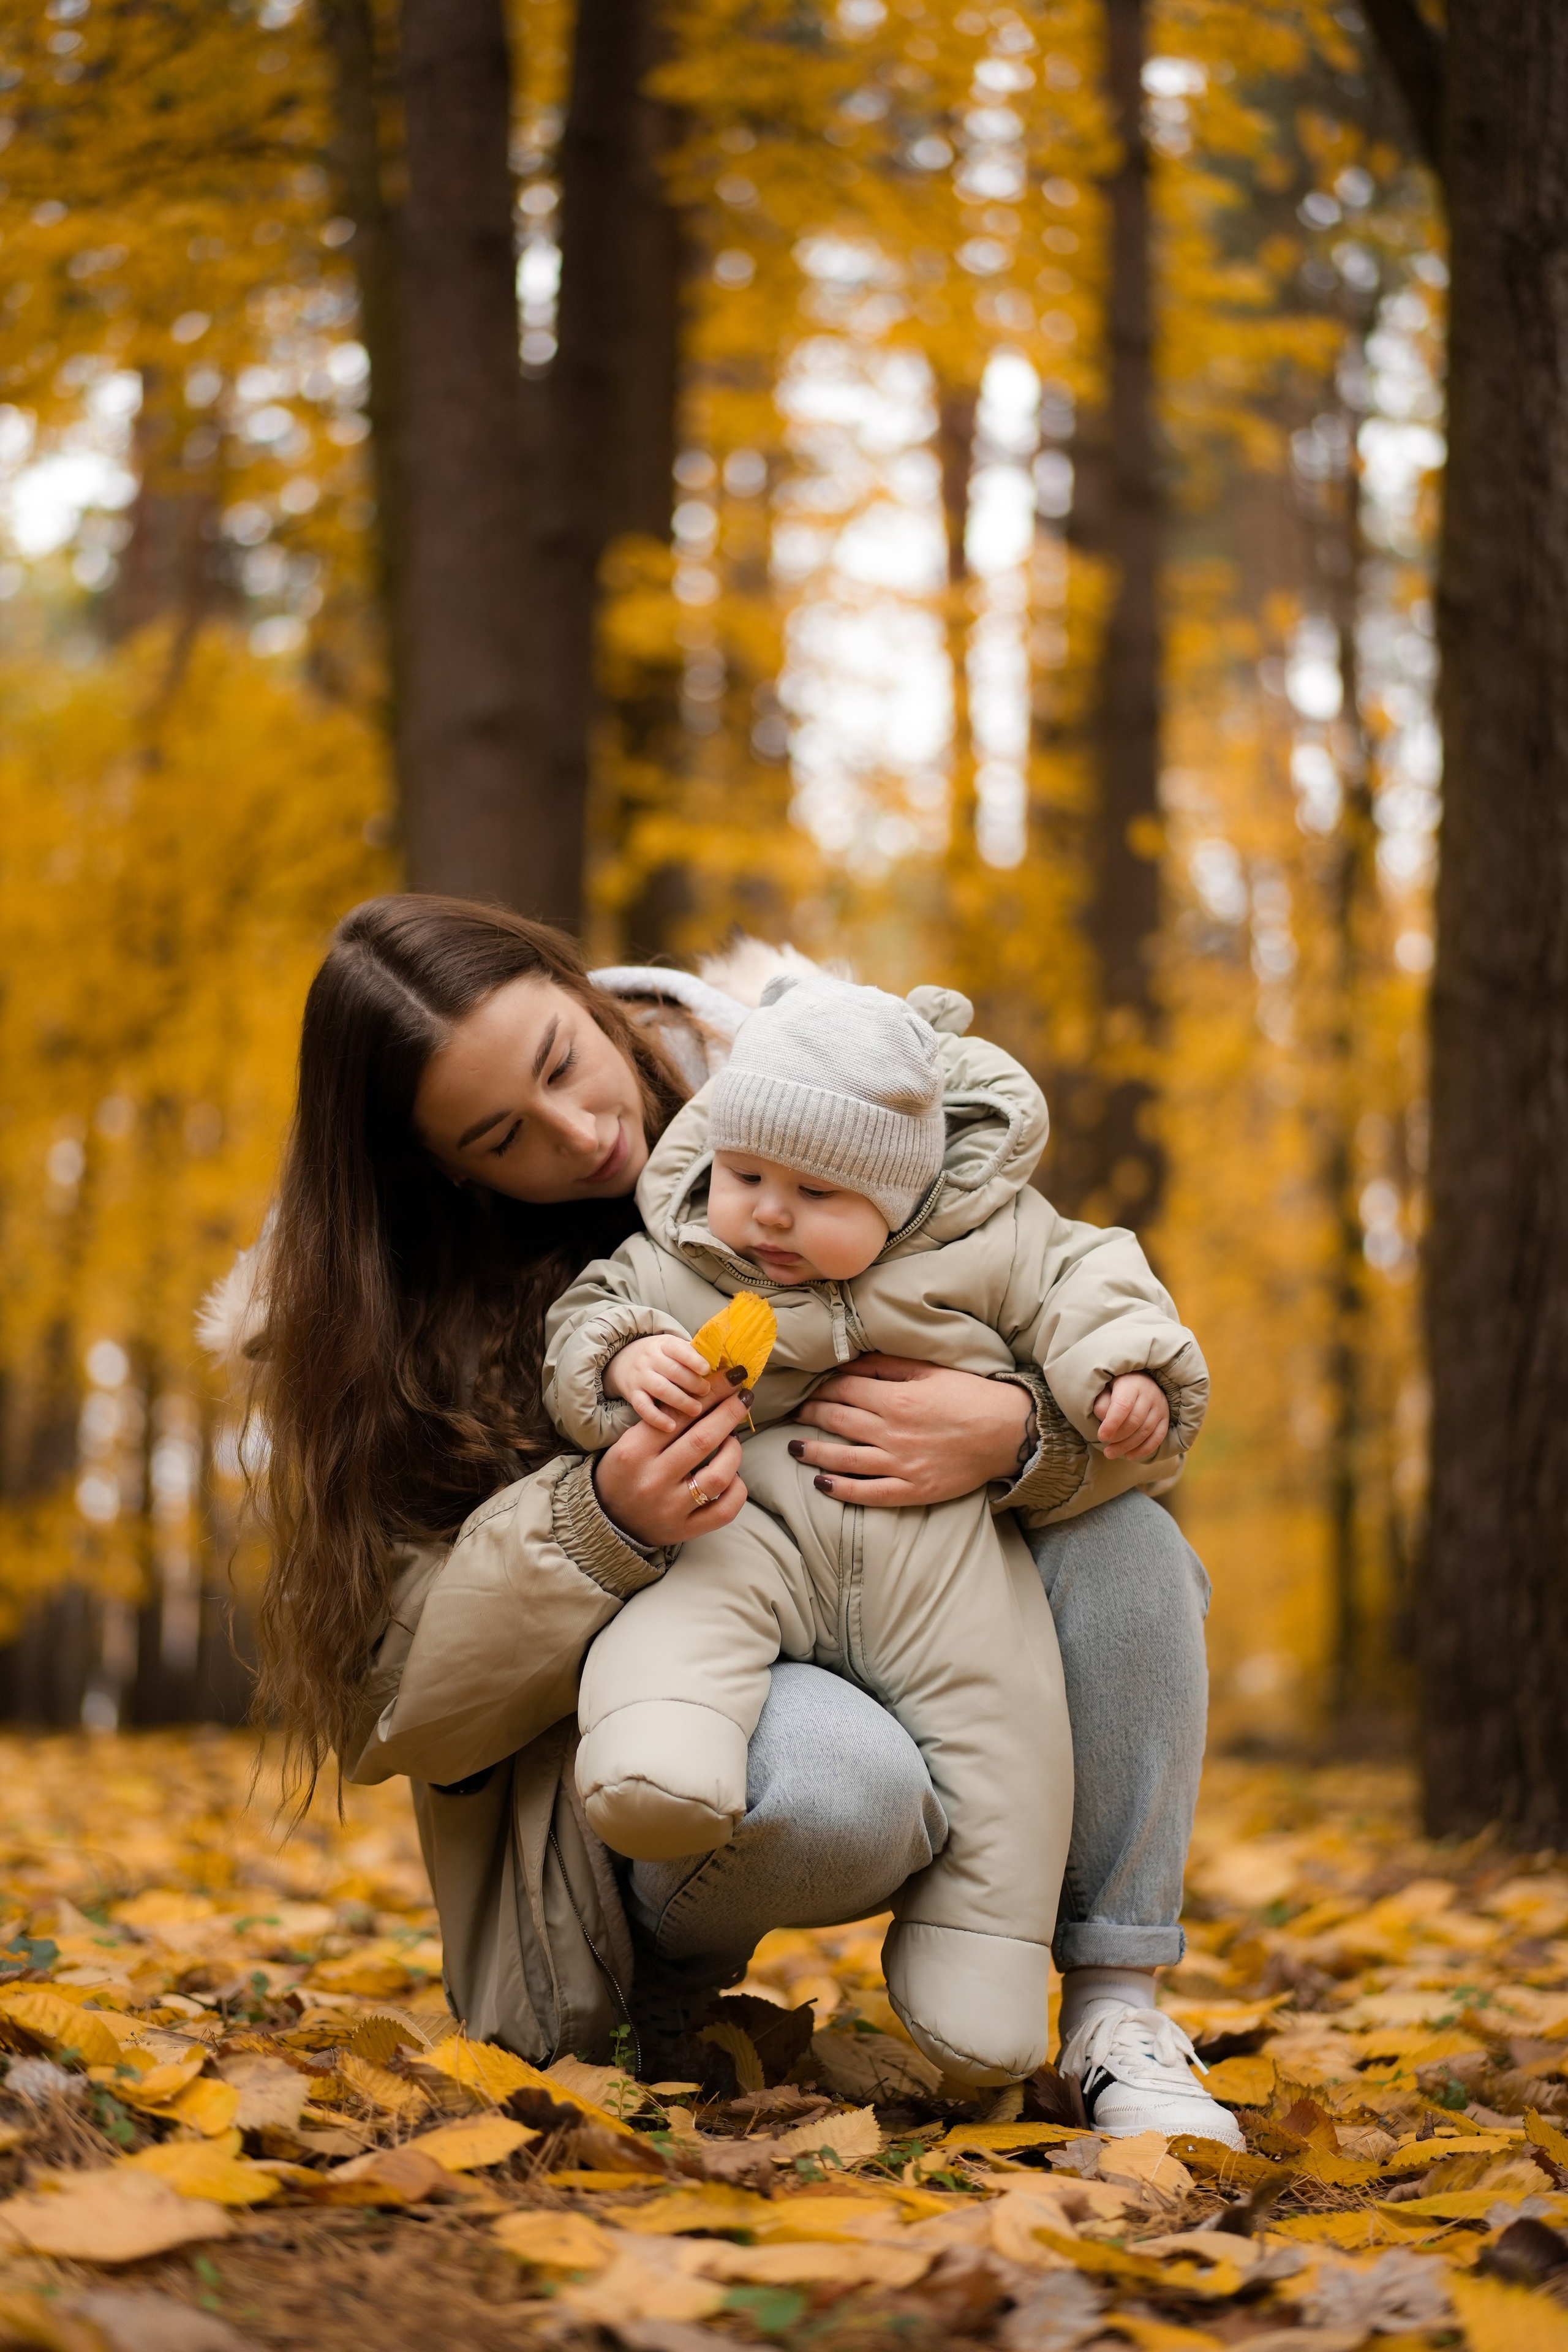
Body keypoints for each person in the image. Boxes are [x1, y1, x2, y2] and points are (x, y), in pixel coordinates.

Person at [227, 893, 1239, 2146]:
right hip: (696, 1667)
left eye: (563, 1061)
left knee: (1133, 1548)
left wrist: (1017, 1433)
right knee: (830, 1787)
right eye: (502, 1135)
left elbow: (1073, 1318)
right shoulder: (405, 1319)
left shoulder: (844, 1099)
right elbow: (406, 1699)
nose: (579, 1127)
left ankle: (1112, 2010)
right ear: (444, 1168)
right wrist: (598, 1521)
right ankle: (657, 1986)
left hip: (930, 1595)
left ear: (589, 988)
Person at [544, 972, 1202, 2090]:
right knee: (689, 1619)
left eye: (815, 1192)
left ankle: (1012, 1983)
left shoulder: (987, 1243)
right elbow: (596, 1308)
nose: (766, 1214)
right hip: (746, 1532)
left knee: (1007, 1728)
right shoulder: (692, 1250)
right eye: (746, 1175)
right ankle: (662, 1785)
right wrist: (621, 1362)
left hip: (944, 1566)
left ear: (902, 1197)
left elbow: (1091, 1282)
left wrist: (1115, 1379)